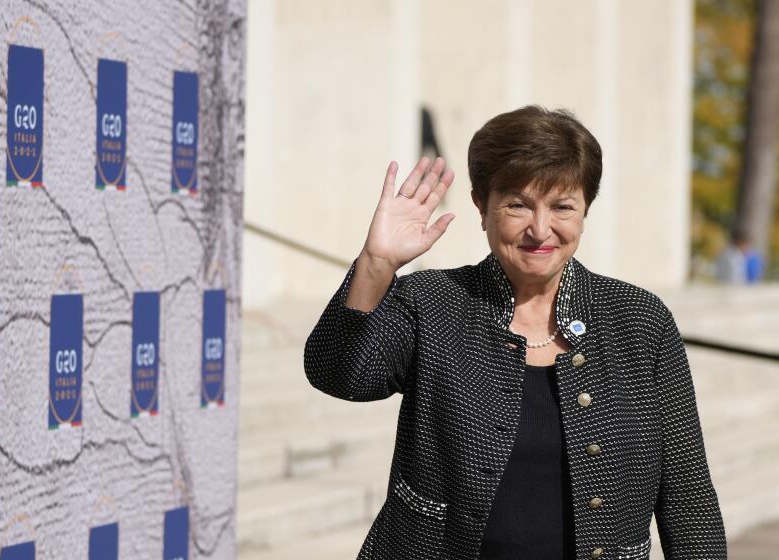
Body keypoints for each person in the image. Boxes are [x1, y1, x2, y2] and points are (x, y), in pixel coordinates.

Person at [304, 106, 727, 559]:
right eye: (518, 205)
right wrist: (377, 264)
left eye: (562, 206)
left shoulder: (639, 320)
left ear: (585, 212)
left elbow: (688, 497)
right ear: (481, 207)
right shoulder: (432, 302)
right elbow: (339, 374)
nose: (540, 229)